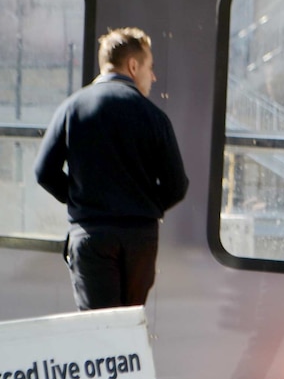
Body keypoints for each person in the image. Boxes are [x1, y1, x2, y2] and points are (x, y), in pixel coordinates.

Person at [34, 27, 188, 311]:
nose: (152, 77)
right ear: (133, 65)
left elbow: (44, 171)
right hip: (140, 239)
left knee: (98, 332)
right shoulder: (154, 117)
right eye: (150, 67)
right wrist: (143, 205)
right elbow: (177, 185)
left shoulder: (72, 108)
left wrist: (81, 199)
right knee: (129, 326)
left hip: (92, 235)